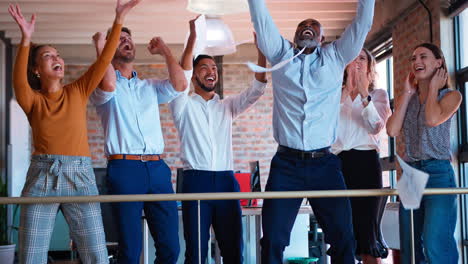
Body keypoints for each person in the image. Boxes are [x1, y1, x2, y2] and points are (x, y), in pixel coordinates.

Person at [9, 0, 140, 263]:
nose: (56, 58)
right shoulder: (32, 100)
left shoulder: (77, 91)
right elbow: (18, 81)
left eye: (57, 54)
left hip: (80, 175)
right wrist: (26, 40)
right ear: (36, 69)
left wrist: (119, 19)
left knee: (96, 255)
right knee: (30, 256)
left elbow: (104, 59)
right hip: (42, 176)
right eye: (48, 56)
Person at [246, 0, 375, 263]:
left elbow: (362, 25)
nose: (307, 27)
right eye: (302, 26)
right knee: (272, 238)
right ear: (294, 37)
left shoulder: (336, 56)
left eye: (313, 26)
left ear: (322, 37)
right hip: (286, 165)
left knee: (343, 237)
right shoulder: (281, 55)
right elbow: (261, 19)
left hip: (325, 165)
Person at [169, 18, 267, 264]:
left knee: (234, 251)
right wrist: (193, 38)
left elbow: (257, 90)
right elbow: (181, 77)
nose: (211, 71)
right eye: (204, 67)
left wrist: (262, 52)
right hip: (196, 182)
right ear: (194, 77)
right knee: (197, 253)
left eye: (213, 68)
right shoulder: (182, 105)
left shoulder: (227, 106)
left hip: (226, 181)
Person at [89, 23, 187, 264]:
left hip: (158, 169)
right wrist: (102, 48)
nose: (126, 41)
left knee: (171, 249)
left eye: (128, 38)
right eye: (119, 39)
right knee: (131, 251)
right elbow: (110, 84)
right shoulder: (102, 86)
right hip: (125, 170)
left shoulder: (149, 87)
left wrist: (165, 50)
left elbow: (181, 85)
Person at [386, 43, 461, 264]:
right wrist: (408, 93)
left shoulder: (451, 95)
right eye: (413, 58)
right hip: (410, 174)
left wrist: (432, 90)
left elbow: (432, 119)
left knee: (434, 242)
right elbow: (391, 130)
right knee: (409, 244)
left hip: (438, 173)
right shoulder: (409, 99)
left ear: (439, 63)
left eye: (423, 56)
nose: (416, 61)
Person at [332, 48, 391, 264]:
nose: (357, 61)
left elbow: (375, 126)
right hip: (337, 165)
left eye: (362, 58)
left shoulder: (378, 95)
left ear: (370, 66)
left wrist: (364, 94)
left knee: (367, 234)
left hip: (365, 163)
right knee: (340, 232)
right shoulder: (334, 95)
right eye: (353, 57)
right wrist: (347, 89)